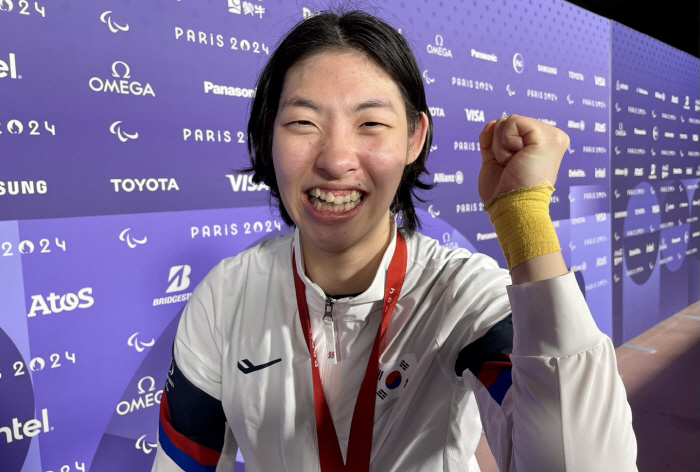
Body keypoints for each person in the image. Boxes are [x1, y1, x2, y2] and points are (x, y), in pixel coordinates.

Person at [152, 10, 637, 472]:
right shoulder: (227, 296)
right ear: (268, 133)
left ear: (414, 138)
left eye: (371, 124)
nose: (336, 159)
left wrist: (524, 221)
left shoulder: (461, 295)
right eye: (303, 122)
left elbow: (583, 463)